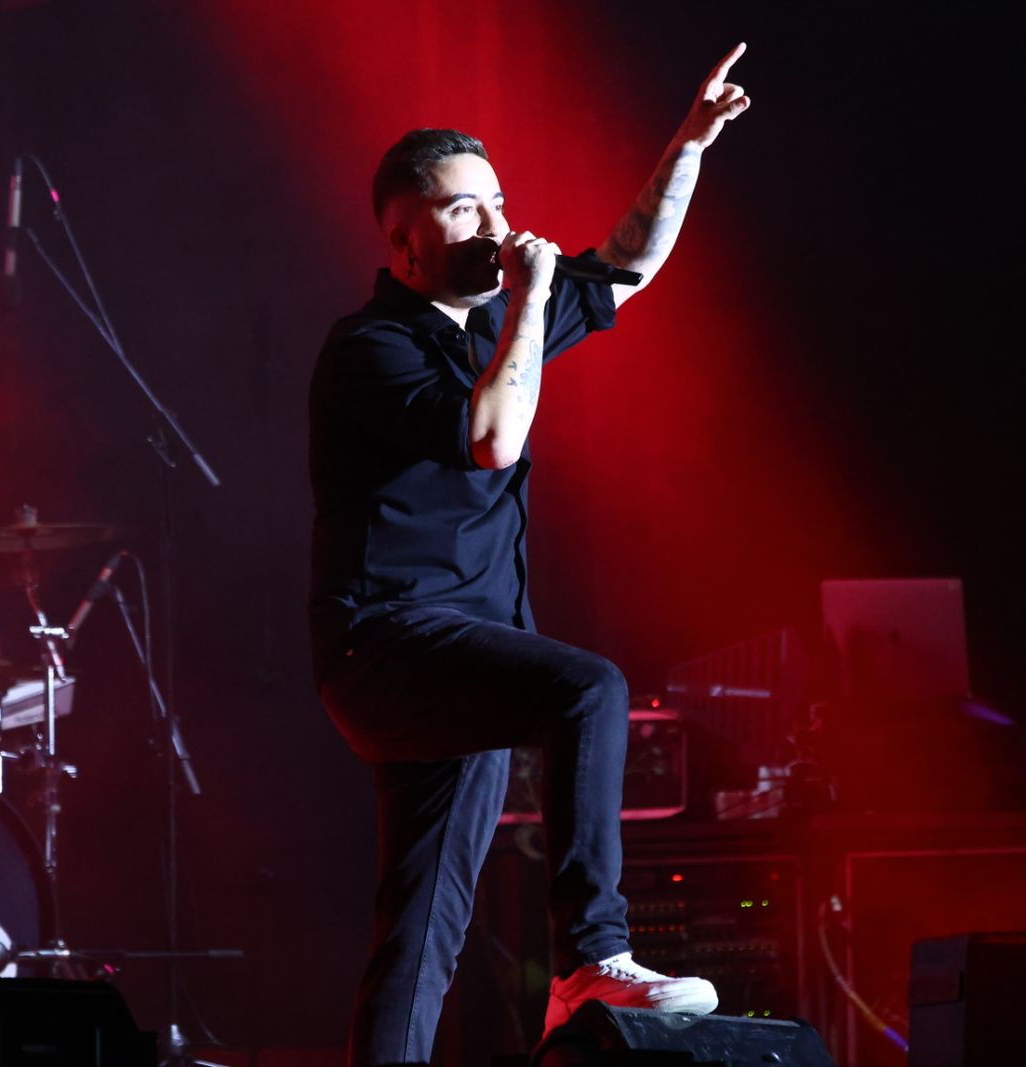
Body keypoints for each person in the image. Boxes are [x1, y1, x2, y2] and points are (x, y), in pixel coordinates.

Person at [308, 45, 752, 1066]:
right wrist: (526, 307)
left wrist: (686, 142)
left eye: (497, 199)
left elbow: (630, 263)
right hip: (385, 649)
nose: (496, 224)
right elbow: (492, 438)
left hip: (463, 653)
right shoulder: (370, 346)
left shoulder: (502, 326)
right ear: (404, 241)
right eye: (465, 210)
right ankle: (590, 956)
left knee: (420, 930)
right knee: (590, 688)